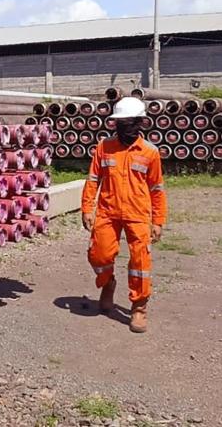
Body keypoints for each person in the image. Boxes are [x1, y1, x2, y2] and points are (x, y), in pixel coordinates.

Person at [81, 96, 167, 333]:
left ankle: (139, 307)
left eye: (128, 122)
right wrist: (87, 208)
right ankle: (107, 284)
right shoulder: (104, 147)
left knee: (140, 262)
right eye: (120, 122)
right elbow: (93, 179)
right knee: (98, 255)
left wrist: (158, 221)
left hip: (138, 214)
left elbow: (157, 189)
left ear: (140, 123)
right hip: (108, 212)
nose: (123, 127)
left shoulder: (150, 152)